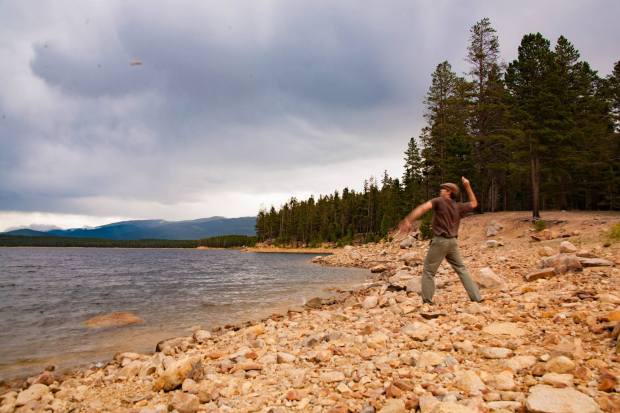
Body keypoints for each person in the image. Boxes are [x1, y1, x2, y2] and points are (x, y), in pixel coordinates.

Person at [398, 176, 482, 304]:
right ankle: (476, 297)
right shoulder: (458, 207)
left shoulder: (439, 201)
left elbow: (422, 208)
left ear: (449, 192)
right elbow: (474, 203)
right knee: (461, 269)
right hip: (453, 243)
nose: (441, 190)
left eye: (443, 189)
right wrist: (467, 186)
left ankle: (427, 301)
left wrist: (408, 220)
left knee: (428, 271)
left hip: (440, 241)